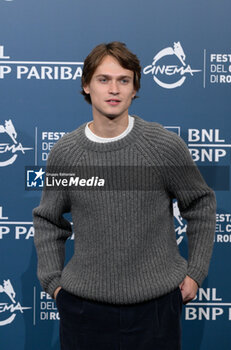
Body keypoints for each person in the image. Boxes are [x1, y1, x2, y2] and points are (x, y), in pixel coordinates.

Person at [33, 41, 216, 350]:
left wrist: (196, 273)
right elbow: (48, 220)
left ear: (135, 89)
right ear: (86, 85)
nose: (114, 89)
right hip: (83, 310)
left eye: (124, 80)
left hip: (156, 310)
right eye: (104, 79)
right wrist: (54, 283)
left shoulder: (164, 146)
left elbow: (200, 204)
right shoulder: (66, 152)